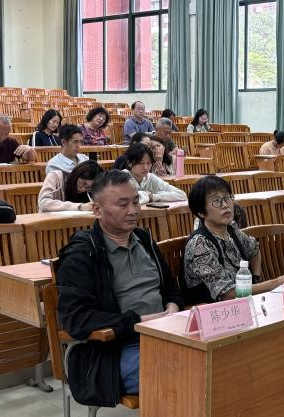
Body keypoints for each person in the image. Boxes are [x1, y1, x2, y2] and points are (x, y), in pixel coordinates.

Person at [56, 170, 183, 403]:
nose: (133, 211)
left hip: (167, 333)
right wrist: (139, 321)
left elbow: (170, 288)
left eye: (136, 202)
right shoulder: (82, 255)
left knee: (220, 357)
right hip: (115, 350)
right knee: (187, 370)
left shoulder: (144, 240)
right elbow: (76, 318)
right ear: (97, 210)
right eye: (123, 204)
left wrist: (173, 306)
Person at [183, 176, 284, 304]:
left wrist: (255, 279)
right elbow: (227, 294)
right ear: (201, 212)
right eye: (216, 201)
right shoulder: (199, 244)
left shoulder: (231, 231)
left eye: (228, 198)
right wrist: (278, 282)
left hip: (242, 303)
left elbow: (254, 249)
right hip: (212, 309)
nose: (225, 205)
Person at [38, 160, 103, 212]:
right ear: (77, 174)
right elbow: (44, 203)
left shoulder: (87, 193)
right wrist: (79, 207)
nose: (83, 189)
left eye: (88, 188)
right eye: (83, 183)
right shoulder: (55, 176)